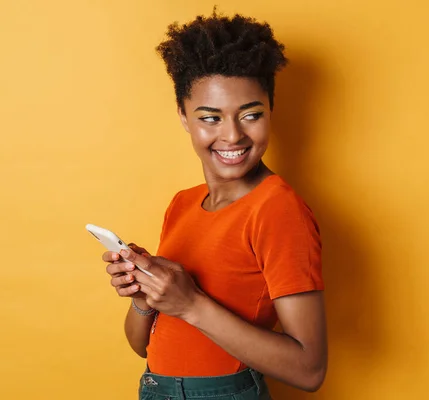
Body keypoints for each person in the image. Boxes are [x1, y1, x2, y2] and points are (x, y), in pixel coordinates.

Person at [100, 10, 327, 400]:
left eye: (251, 115)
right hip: (156, 389)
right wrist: (145, 296)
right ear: (185, 118)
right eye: (210, 118)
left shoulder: (277, 209)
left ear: (271, 109)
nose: (233, 135)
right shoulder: (183, 204)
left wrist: (189, 303)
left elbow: (309, 369)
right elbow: (143, 347)